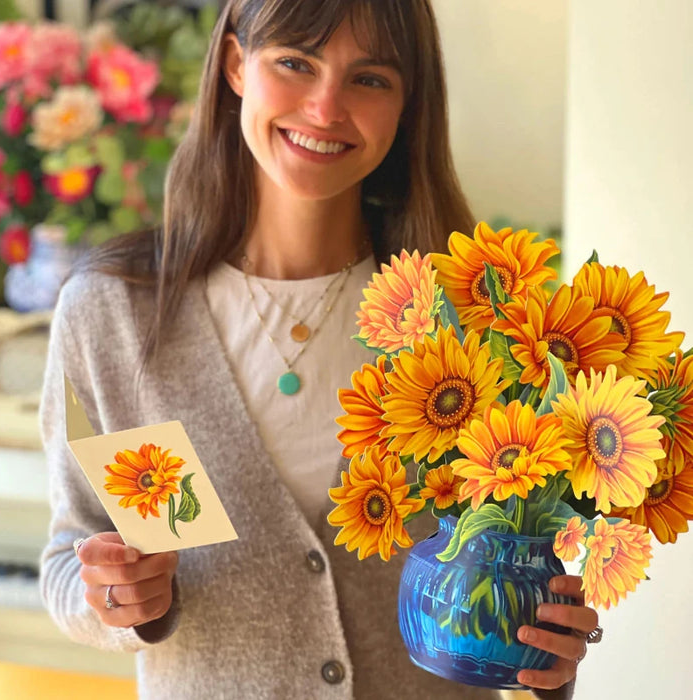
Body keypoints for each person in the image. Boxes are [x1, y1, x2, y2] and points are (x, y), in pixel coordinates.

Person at [39, 1, 599, 698]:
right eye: (295, 63)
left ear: (407, 105)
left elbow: (511, 568)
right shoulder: (117, 314)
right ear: (237, 64)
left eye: (369, 80)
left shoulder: (469, 323)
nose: (326, 107)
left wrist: (544, 653)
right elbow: (71, 554)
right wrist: (114, 598)